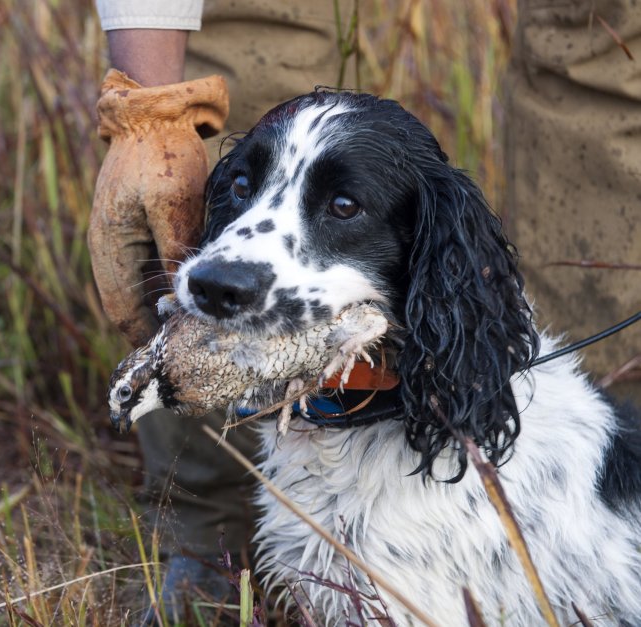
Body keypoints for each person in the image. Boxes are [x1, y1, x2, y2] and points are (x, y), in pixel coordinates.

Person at [88, 0, 641, 619]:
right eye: (243, 187)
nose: (226, 263)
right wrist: (146, 119)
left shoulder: (446, 501)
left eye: (344, 207)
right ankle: (205, 551)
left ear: (427, 250)